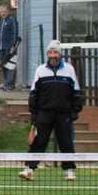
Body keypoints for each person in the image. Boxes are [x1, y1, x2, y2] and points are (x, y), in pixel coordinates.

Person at [18, 42, 81, 181]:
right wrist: (34, 113)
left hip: (64, 114)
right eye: (50, 53)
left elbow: (76, 91)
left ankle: (69, 171)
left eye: (55, 53)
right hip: (44, 113)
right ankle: (29, 169)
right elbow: (34, 93)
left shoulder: (69, 70)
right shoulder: (40, 70)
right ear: (47, 54)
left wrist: (75, 110)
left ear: (60, 54)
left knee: (66, 142)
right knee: (39, 141)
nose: (53, 56)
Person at [0, 6, 21, 90]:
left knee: (10, 66)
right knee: (4, 65)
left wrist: (13, 46)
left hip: (10, 47)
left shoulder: (11, 20)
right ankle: (7, 82)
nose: (3, 13)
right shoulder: (2, 21)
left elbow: (15, 33)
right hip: (2, 47)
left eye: (4, 11)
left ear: (8, 11)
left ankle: (9, 85)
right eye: (1, 12)